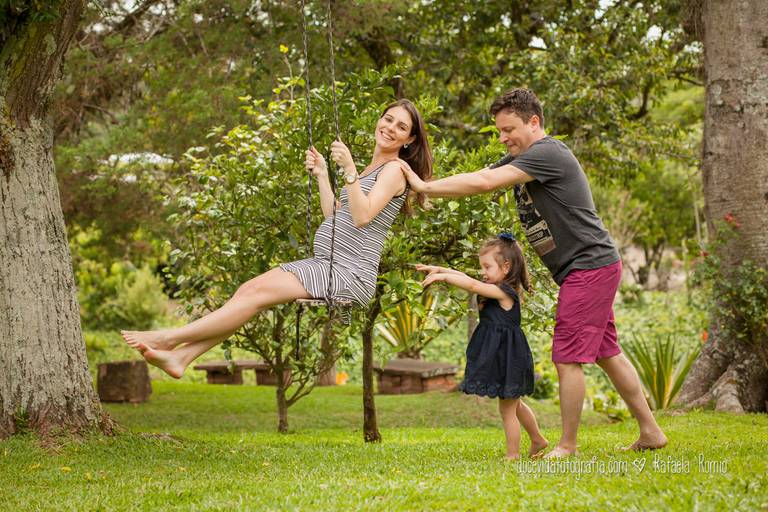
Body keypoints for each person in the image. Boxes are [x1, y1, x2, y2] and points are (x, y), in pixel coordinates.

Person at [399, 88, 667, 456]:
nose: (503, 137)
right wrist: (427, 190)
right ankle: (650, 431)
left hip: (589, 265)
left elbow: (485, 183)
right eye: (499, 131)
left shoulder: (547, 153)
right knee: (607, 353)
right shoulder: (523, 159)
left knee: (567, 357)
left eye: (508, 129)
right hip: (588, 267)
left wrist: (423, 185)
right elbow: (479, 176)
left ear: (534, 122)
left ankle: (568, 446)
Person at [121, 99, 433, 378]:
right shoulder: (370, 169)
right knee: (250, 292)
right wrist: (325, 174)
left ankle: (169, 340)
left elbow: (363, 216)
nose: (391, 128)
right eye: (388, 119)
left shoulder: (394, 170)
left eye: (401, 126)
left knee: (254, 292)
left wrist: (348, 167)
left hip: (349, 273)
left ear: (410, 139)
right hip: (330, 263)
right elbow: (337, 216)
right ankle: (180, 358)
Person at [417, 233, 548, 460]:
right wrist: (439, 269)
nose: (483, 272)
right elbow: (467, 277)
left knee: (507, 408)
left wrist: (443, 278)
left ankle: (513, 454)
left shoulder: (504, 292)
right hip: (502, 355)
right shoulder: (497, 287)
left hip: (508, 357)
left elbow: (471, 284)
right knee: (514, 403)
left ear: (506, 267)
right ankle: (538, 439)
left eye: (487, 267)